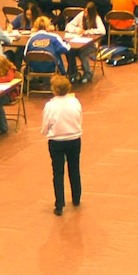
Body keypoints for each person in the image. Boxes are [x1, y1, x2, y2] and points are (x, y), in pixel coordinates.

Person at [43, 75, 84, 215]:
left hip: (56, 141)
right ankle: (76, 198)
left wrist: (46, 132)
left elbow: (45, 125)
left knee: (58, 172)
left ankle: (59, 205)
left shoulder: (50, 106)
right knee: (74, 169)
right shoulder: (75, 102)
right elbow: (79, 118)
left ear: (54, 89)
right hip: (74, 138)